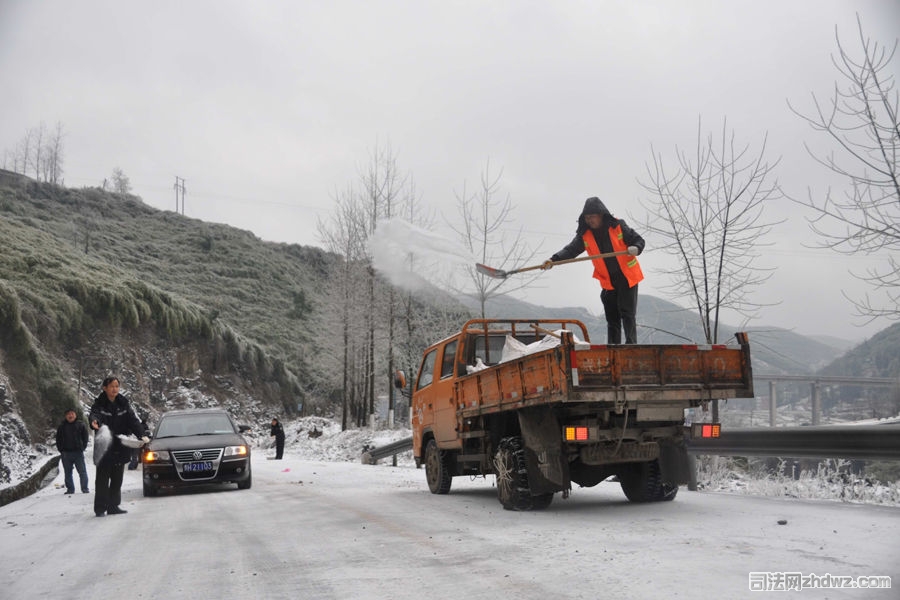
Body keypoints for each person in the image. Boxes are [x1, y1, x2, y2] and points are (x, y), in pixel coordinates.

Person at [544, 196, 645, 344]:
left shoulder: (617, 226)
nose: (589, 220)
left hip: (626, 277)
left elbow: (639, 240)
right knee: (612, 317)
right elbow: (571, 250)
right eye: (587, 218)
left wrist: (636, 248)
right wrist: (553, 260)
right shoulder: (585, 235)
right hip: (608, 281)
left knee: (627, 313)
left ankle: (631, 344)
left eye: (592, 217)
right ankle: (614, 346)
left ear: (601, 215)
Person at [89, 376, 148, 517]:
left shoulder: (123, 403)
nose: (115, 389)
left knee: (117, 479)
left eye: (117, 386)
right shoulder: (99, 404)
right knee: (102, 480)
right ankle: (100, 508)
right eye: (111, 386)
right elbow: (94, 414)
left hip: (120, 445)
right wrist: (94, 421)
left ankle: (113, 506)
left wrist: (142, 434)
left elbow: (132, 421)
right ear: (105, 388)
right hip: (104, 446)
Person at [55, 408, 90, 495]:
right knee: (67, 472)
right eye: (68, 414)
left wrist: (83, 447)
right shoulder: (61, 426)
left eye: (72, 414)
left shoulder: (81, 425)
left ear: (75, 415)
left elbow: (85, 437)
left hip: (78, 453)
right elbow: (58, 439)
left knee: (82, 472)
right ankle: (70, 490)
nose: (70, 416)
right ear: (66, 416)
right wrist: (61, 450)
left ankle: (85, 489)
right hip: (66, 453)